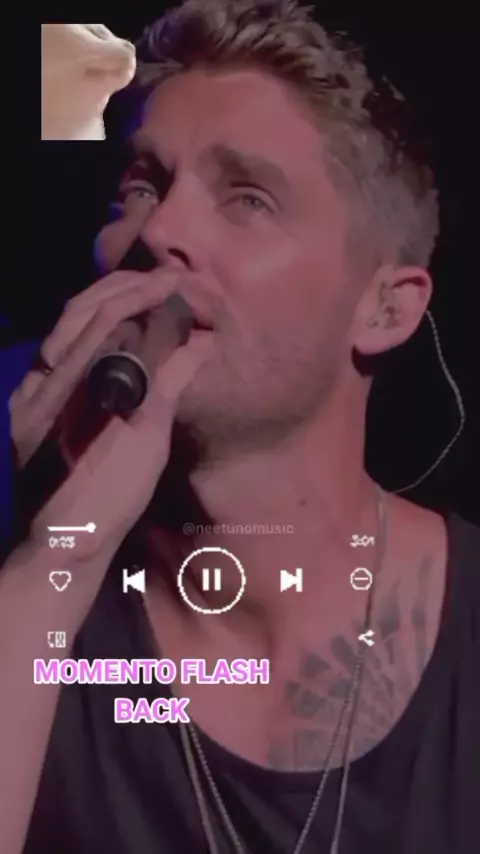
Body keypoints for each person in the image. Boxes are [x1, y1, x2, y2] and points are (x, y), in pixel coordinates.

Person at [1, 1, 478, 853]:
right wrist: (54, 559)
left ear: (385, 309)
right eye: (141, 187)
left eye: (247, 198)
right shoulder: (33, 603)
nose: (160, 232)